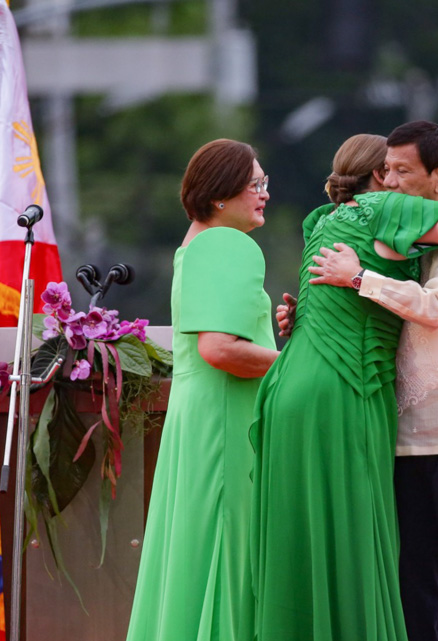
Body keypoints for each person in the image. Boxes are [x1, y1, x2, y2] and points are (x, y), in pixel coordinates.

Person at [249, 133, 438, 641]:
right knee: (409, 575)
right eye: (385, 171)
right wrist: (314, 317)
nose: (390, 182)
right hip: (402, 427)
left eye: (402, 172)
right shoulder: (396, 223)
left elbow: (434, 308)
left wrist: (358, 280)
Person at [127, 139, 279, 641]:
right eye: (255, 184)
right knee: (226, 551)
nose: (264, 194)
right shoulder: (226, 243)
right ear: (220, 195)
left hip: (199, 415)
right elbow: (220, 349)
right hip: (226, 418)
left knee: (194, 553)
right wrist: (294, 365)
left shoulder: (193, 244)